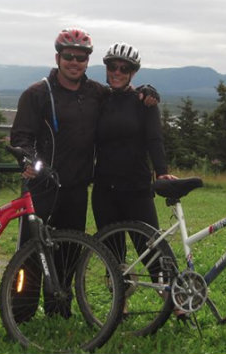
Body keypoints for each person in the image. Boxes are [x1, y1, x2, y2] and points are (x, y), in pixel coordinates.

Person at [10, 29, 158, 320]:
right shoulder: (37, 93)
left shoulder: (95, 93)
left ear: (88, 62)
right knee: (30, 253)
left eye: (81, 57)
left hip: (76, 188)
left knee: (68, 252)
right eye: (69, 56)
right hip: (41, 187)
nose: (74, 62)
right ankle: (21, 312)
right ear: (58, 58)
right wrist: (28, 159)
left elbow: (124, 94)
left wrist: (147, 92)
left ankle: (59, 309)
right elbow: (20, 137)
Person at [92, 41, 176, 238]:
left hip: (136, 189)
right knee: (111, 257)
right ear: (106, 68)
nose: (117, 72)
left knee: (154, 252)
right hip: (104, 190)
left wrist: (162, 172)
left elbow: (155, 139)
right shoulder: (99, 99)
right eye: (113, 67)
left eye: (124, 68)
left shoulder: (143, 101)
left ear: (133, 73)